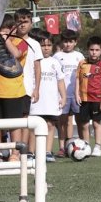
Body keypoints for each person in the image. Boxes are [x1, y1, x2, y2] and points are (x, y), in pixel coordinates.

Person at [0, 15, 28, 163]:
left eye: (6, 31)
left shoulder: (21, 42)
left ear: (12, 30)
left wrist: (6, 39)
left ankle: (15, 153)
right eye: (0, 32)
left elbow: (16, 54)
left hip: (14, 91)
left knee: (14, 124)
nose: (2, 35)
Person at [29, 29, 66, 161]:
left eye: (49, 45)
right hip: (36, 102)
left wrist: (64, 97)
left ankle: (47, 152)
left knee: (50, 125)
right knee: (34, 127)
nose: (46, 48)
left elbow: (60, 81)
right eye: (43, 45)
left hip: (51, 102)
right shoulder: (33, 61)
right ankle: (30, 153)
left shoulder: (55, 62)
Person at [13, 8, 43, 160]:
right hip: (10, 87)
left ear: (31, 23)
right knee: (12, 120)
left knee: (24, 119)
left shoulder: (35, 44)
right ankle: (12, 151)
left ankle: (22, 151)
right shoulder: (10, 41)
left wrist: (36, 88)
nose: (22, 24)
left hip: (26, 88)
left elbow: (37, 67)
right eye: (19, 21)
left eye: (26, 21)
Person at [75, 36, 101, 157]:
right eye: (91, 49)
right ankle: (86, 146)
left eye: (96, 50)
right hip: (84, 98)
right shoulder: (82, 63)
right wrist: (76, 94)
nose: (94, 52)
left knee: (96, 123)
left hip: (97, 99)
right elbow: (77, 79)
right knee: (84, 124)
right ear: (87, 50)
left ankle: (98, 147)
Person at [53, 28, 84, 157]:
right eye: (65, 42)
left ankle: (75, 145)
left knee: (76, 121)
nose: (68, 44)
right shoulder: (57, 57)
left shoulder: (79, 56)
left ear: (75, 42)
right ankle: (62, 147)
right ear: (62, 42)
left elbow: (82, 76)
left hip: (76, 95)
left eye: (71, 42)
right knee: (62, 121)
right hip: (62, 95)